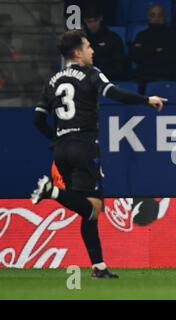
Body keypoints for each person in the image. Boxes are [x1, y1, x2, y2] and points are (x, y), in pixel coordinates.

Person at [30, 30, 167, 278]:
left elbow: (38, 119)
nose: (92, 50)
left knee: (87, 208)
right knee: (93, 208)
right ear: (77, 53)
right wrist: (146, 100)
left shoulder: (53, 80)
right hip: (84, 146)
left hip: (61, 149)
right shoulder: (90, 74)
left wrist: (56, 138)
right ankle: (52, 191)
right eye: (88, 46)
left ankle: (98, 266)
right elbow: (113, 93)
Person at [130, 4, 176, 85]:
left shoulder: (172, 36)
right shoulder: (141, 35)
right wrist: (156, 50)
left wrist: (146, 50)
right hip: (142, 77)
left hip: (164, 76)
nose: (156, 18)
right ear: (148, 17)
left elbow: (170, 57)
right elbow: (134, 55)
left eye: (159, 15)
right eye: (153, 15)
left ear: (164, 17)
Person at [83, 6, 128, 81]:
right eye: (89, 21)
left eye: (95, 21)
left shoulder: (113, 38)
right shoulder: (82, 40)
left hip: (110, 79)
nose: (93, 24)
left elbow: (119, 67)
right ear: (85, 21)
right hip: (88, 80)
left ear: (101, 18)